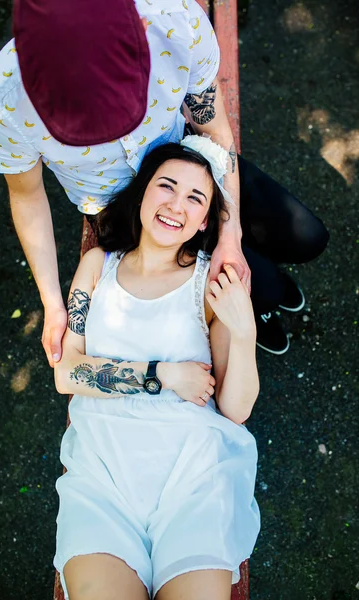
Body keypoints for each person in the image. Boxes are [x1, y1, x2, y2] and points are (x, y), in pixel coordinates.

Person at [0, 0, 328, 359]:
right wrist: (52, 301)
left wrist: (230, 232)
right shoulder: (1, 103)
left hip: (190, 164)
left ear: (139, 29)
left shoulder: (175, 19)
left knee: (308, 238)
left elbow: (212, 127)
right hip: (120, 211)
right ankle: (265, 304)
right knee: (265, 289)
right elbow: (26, 197)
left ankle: (265, 295)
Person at [52, 137, 260, 600]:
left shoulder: (209, 280)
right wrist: (162, 374)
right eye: (166, 186)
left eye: (195, 198)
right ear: (143, 191)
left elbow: (237, 408)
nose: (176, 206)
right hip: (104, 478)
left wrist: (244, 334)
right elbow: (67, 373)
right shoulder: (97, 266)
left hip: (193, 479)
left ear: (205, 220)